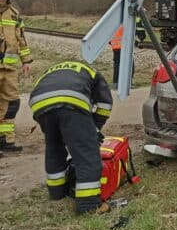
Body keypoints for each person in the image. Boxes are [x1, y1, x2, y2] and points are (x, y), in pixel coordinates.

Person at [28, 60, 113, 214]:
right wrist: (93, 130)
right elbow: (105, 105)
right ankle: (89, 206)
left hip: (39, 104)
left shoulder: (54, 69)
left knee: (54, 147)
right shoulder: (93, 73)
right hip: (71, 102)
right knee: (86, 154)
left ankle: (57, 193)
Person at [0, 0, 32, 157]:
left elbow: (21, 39)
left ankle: (6, 140)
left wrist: (26, 61)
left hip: (10, 70)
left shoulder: (14, 14)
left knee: (11, 103)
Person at [109, 25, 123, 89]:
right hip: (122, 47)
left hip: (115, 47)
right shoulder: (124, 24)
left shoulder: (113, 24)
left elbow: (109, 40)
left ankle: (115, 83)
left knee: (116, 66)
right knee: (130, 66)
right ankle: (127, 84)